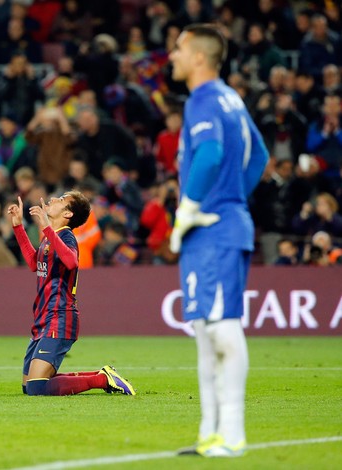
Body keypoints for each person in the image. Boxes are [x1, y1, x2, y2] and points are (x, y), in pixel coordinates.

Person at [168, 24, 268, 457]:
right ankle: (210, 434)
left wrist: (192, 206)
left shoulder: (205, 98)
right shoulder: (232, 98)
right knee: (206, 332)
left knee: (222, 329)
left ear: (198, 57)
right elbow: (259, 156)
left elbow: (208, 154)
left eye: (178, 48)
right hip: (219, 226)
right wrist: (232, 197)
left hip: (212, 229)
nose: (172, 55)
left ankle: (232, 435)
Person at [7, 191, 135, 397]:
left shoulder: (66, 236)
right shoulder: (51, 237)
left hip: (59, 316)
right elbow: (34, 263)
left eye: (61, 199)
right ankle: (103, 374)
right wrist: (18, 226)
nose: (54, 199)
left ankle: (102, 380)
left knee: (36, 387)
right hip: (42, 318)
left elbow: (71, 262)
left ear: (67, 214)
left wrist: (47, 227)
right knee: (29, 386)